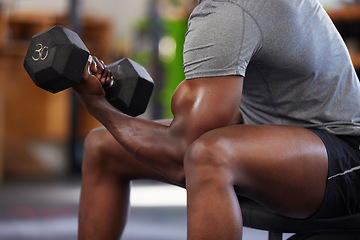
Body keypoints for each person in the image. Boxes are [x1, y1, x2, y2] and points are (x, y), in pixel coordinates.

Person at [74, 0, 360, 239]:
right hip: (274, 132)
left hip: (345, 154)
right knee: (103, 146)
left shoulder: (228, 11)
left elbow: (180, 157)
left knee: (208, 155)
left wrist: (96, 104)